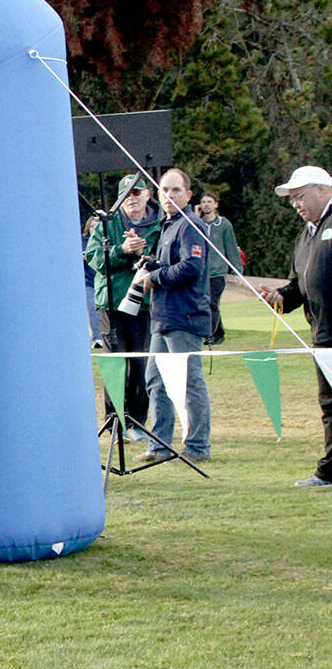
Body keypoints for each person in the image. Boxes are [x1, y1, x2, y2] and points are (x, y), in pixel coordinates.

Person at [261, 165, 332, 487]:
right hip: (322, 336)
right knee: (330, 407)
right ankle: (330, 472)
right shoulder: (305, 236)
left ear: (322, 190)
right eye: (292, 201)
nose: (296, 205)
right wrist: (279, 297)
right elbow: (298, 288)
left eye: (300, 197)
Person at [137, 168, 211, 462]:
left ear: (188, 195)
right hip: (163, 317)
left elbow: (191, 267)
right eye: (164, 190)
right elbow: (172, 263)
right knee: (155, 380)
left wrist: (155, 277)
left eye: (175, 190)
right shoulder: (169, 225)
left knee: (189, 382)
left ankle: (197, 447)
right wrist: (152, 263)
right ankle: (160, 445)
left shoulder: (190, 224)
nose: (168, 196)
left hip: (185, 317)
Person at [86, 174, 160, 439]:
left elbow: (165, 261)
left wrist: (144, 254)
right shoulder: (107, 224)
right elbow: (95, 258)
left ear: (147, 195)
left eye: (137, 192)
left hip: (143, 303)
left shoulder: (159, 225)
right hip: (112, 303)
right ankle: (115, 420)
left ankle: (138, 421)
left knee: (141, 364)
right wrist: (121, 249)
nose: (132, 198)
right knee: (115, 364)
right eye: (127, 194)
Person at [195, 191, 241, 346]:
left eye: (209, 201)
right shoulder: (197, 223)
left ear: (216, 204)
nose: (206, 204)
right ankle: (218, 333)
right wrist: (195, 217)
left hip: (217, 273)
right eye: (204, 202)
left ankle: (211, 335)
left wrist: (236, 270)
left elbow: (231, 248)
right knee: (205, 303)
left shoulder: (224, 225)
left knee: (212, 303)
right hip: (202, 273)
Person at [82, 215, 102, 348]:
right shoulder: (82, 242)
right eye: (93, 226)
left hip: (103, 281)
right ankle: (97, 338)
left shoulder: (105, 240)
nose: (95, 228)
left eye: (98, 226)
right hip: (89, 282)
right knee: (93, 310)